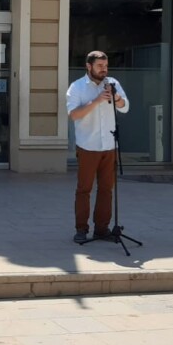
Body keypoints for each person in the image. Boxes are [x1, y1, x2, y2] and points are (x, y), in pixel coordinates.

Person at [66, 50, 130, 244]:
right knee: (84, 189)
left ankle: (102, 229)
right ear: (89, 66)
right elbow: (74, 115)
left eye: (106, 66)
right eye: (100, 66)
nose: (104, 69)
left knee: (106, 189)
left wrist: (116, 98)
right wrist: (97, 100)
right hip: (88, 146)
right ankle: (81, 229)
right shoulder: (77, 87)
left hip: (109, 145)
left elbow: (125, 107)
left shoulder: (113, 83)